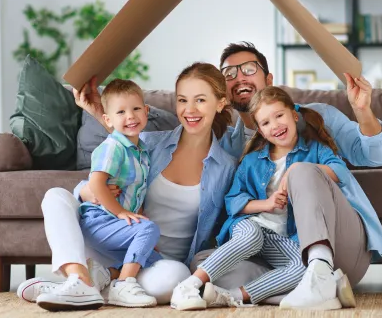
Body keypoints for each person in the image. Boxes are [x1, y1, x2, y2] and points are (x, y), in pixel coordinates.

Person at [187, 41, 382, 310]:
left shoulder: (317, 120)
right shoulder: (228, 145)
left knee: (302, 171)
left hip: (339, 245)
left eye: (249, 69)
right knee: (204, 263)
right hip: (277, 252)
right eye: (229, 74)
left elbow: (376, 156)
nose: (239, 78)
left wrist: (363, 109)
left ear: (269, 78)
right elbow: (226, 202)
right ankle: (296, 290)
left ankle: (318, 272)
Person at [18, 62, 238, 311]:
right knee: (56, 196)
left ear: (220, 103)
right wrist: (87, 191)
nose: (189, 110)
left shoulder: (226, 167)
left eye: (200, 100)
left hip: (156, 263)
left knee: (176, 279)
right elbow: (112, 160)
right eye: (182, 100)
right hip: (113, 240)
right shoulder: (150, 144)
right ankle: (79, 277)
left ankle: (90, 282)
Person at [170, 86, 355, 311]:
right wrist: (266, 204)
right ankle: (190, 285)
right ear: (260, 130)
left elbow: (342, 173)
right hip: (252, 227)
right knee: (250, 237)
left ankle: (234, 296)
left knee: (303, 267)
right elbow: (233, 201)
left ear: (294, 116)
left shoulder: (315, 150)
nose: (275, 126)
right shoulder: (252, 161)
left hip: (284, 238)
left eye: (279, 116)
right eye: (266, 123)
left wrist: (299, 168)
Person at [69, 79, 160, 309]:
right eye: (121, 112)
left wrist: (139, 222)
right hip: (98, 220)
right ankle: (123, 284)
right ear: (108, 119)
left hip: (116, 224)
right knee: (150, 228)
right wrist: (120, 212)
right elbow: (96, 183)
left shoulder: (142, 152)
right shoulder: (113, 147)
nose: (130, 116)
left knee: (154, 259)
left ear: (146, 111)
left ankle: (104, 275)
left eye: (136, 109)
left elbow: (137, 194)